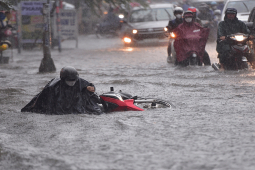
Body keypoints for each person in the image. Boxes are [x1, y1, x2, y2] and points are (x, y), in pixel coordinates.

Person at [21, 66, 104, 115]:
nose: (72, 83)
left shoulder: (79, 81)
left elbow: (90, 86)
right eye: (69, 81)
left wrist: (90, 88)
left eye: (73, 81)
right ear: (63, 79)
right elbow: (42, 100)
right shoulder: (53, 87)